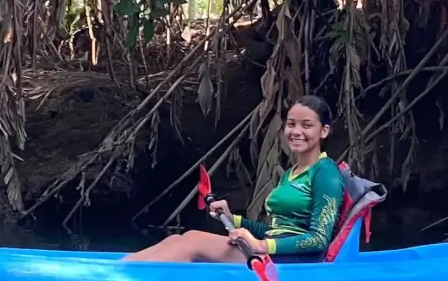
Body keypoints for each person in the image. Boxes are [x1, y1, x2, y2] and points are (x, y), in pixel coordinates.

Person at [122, 95, 345, 264]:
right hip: (275, 251)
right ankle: (117, 270)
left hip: (296, 261)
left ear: (324, 131)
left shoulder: (326, 173)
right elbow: (276, 230)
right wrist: (233, 220)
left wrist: (260, 245)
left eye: (306, 125)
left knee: (193, 242)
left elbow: (318, 239)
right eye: (291, 124)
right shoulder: (292, 172)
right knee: (179, 238)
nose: (296, 131)